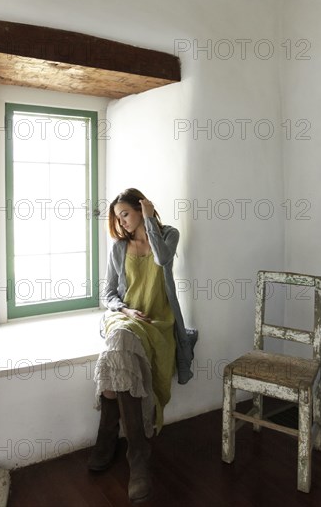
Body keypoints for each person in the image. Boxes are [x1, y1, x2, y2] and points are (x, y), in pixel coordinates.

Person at [88, 188, 197, 503]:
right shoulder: (118, 248)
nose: (121, 223)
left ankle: (107, 439)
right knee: (120, 339)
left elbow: (162, 258)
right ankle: (138, 455)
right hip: (126, 318)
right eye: (117, 218)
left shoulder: (168, 235)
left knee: (115, 359)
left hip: (159, 323)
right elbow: (108, 294)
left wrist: (150, 219)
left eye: (125, 214)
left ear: (140, 208)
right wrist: (125, 310)